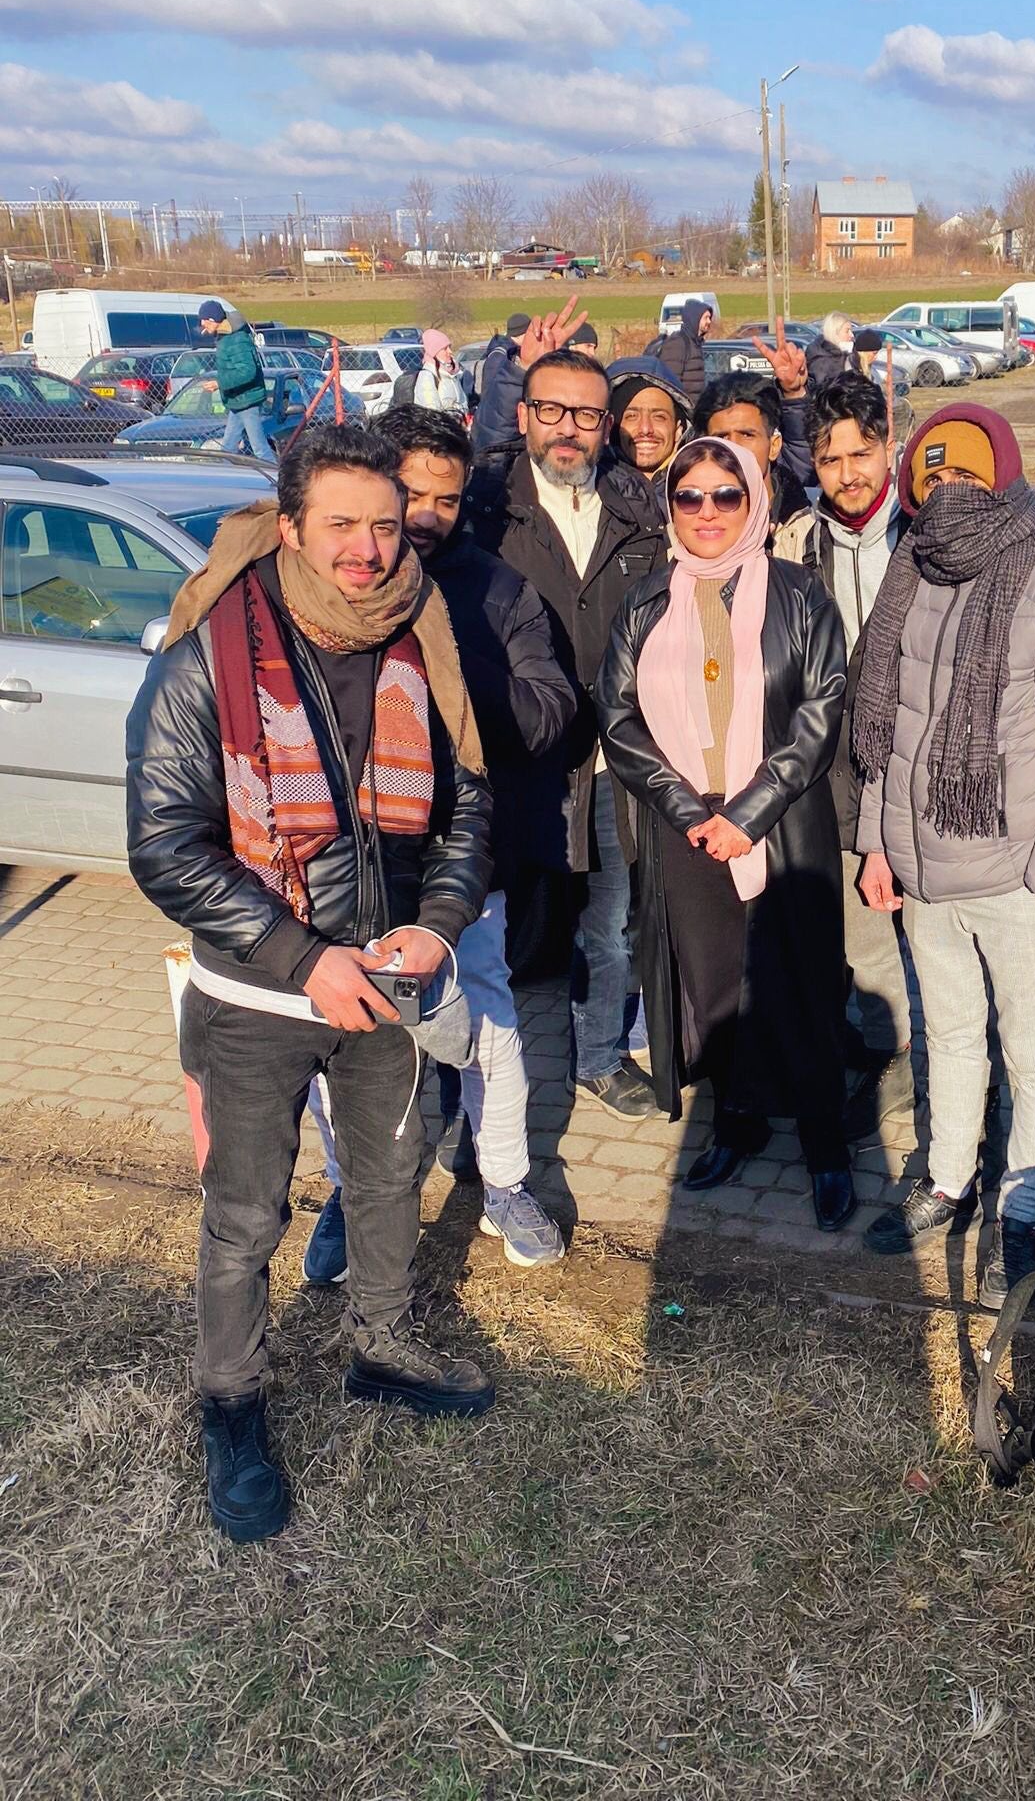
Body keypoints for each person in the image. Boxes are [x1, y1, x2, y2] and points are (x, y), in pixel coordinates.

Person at [125, 421, 495, 1542]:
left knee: (388, 1178)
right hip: (257, 998)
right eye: (341, 524)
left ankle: (383, 1343)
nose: (368, 549)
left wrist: (436, 922)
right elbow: (164, 844)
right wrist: (303, 956)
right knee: (244, 1216)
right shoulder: (206, 660)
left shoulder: (417, 640)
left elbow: (470, 802)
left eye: (385, 525)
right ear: (289, 527)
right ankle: (231, 1400)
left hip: (387, 985)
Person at [854, 405, 1035, 1307]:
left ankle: (1022, 1207)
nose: (948, 497)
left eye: (967, 479)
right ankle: (946, 1180)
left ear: (1004, 478)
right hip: (925, 872)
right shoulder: (911, 573)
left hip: (1018, 879)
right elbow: (887, 732)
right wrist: (877, 844)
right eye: (932, 481)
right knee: (952, 1036)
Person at [302, 405, 576, 1282]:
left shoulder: (496, 592)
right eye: (404, 495)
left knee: (490, 1023)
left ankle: (504, 1183)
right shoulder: (312, 586)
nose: (421, 515)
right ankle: (352, 1193)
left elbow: (554, 711)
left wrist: (454, 683)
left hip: (461, 862)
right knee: (336, 1042)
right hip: (339, 871)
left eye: (444, 500)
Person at [595, 438, 856, 1232]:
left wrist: (746, 813)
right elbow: (616, 715)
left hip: (780, 823)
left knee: (802, 987)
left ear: (756, 502)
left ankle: (826, 1147)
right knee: (710, 992)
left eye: (725, 496)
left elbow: (822, 711)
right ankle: (735, 1121)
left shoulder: (802, 594)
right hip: (687, 832)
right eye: (688, 497)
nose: (706, 513)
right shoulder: (646, 601)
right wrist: (685, 808)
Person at [493, 346, 669, 1118]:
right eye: (552, 410)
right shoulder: (487, 512)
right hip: (521, 766)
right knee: (518, 936)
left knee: (610, 927)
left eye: (587, 414)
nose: (569, 430)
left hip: (609, 764)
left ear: (607, 425)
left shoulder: (638, 514)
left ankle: (598, 1056)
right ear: (525, 415)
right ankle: (507, 1078)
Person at [775, 374, 913, 1115]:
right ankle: (891, 1057)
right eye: (832, 460)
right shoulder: (797, 543)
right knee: (865, 929)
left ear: (889, 446)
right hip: (838, 768)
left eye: (864, 453)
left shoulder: (922, 529)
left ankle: (964, 1069)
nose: (850, 474)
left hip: (924, 763)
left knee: (939, 933)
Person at [693, 371, 810, 531]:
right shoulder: (687, 528)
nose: (733, 447)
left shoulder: (810, 531)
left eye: (747, 435)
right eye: (721, 437)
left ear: (774, 446)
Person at [608, 355, 691, 506]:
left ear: (678, 430)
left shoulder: (698, 490)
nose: (646, 429)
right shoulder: (593, 490)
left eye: (659, 417)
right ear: (611, 427)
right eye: (632, 416)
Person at [198, 300, 273, 462]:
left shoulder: (237, 339)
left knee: (259, 448)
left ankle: (277, 479)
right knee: (229, 447)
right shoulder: (225, 337)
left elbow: (248, 371)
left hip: (247, 400)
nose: (202, 324)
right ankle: (225, 479)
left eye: (204, 319)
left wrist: (219, 383)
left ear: (214, 320)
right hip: (237, 400)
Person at [470, 313, 531, 453]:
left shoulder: (510, 352)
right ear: (523, 333)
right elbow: (495, 395)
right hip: (497, 432)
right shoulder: (500, 356)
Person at [654, 297, 713, 404]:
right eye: (706, 318)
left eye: (710, 318)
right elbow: (670, 380)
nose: (709, 321)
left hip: (694, 408)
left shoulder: (696, 343)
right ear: (695, 318)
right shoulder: (678, 343)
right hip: (683, 408)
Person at [411, 329, 467, 417]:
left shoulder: (452, 374)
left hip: (457, 428)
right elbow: (432, 414)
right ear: (434, 353)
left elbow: (463, 403)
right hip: (438, 429)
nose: (450, 352)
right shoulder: (427, 377)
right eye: (445, 349)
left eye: (449, 347)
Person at [806, 311, 856, 394]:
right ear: (835, 333)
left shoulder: (847, 356)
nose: (852, 335)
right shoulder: (821, 361)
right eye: (847, 331)